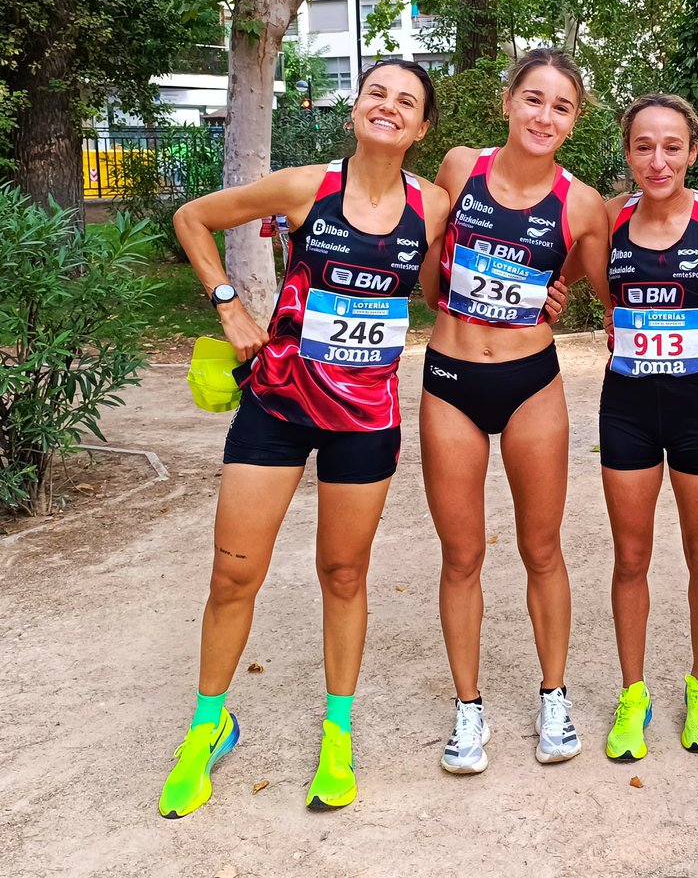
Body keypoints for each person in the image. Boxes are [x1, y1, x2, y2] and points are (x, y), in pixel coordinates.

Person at [159, 59, 449, 817]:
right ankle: (206, 727)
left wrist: (541, 294)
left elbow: (445, 287)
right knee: (233, 575)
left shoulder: (435, 205)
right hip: (279, 406)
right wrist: (228, 305)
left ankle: (338, 734)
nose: (387, 107)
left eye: (405, 102)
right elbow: (192, 217)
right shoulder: (304, 189)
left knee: (345, 576)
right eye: (376, 93)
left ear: (421, 129)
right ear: (356, 109)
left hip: (366, 419)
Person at [420, 47, 610, 774]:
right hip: (451, 379)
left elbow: (612, 289)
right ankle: (468, 711)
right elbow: (427, 266)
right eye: (534, 99)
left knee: (542, 548)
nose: (544, 115)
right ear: (508, 101)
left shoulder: (582, 203)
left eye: (560, 106)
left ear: (574, 120)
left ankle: (553, 695)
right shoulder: (460, 168)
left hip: (532, 380)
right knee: (462, 555)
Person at [597, 94, 698, 762]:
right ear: (627, 152)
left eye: (672, 146)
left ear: (694, 150)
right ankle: (634, 694)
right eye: (644, 147)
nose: (658, 160)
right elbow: (596, 288)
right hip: (628, 404)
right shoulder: (609, 216)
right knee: (630, 557)